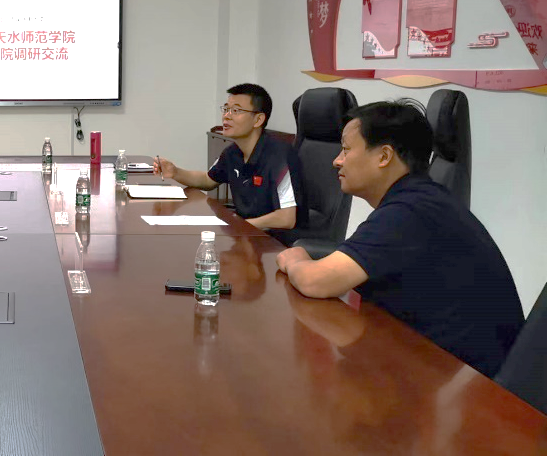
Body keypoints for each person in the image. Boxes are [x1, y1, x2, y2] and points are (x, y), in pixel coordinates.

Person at [276, 100, 523, 378]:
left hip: (476, 386)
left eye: (346, 149)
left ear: (384, 156)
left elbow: (316, 281)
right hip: (438, 366)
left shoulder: (409, 211)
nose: (337, 160)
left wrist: (296, 258)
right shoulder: (420, 199)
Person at [153, 83, 305, 231]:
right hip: (246, 233)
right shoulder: (232, 152)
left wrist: (238, 225)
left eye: (236, 110)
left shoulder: (279, 156)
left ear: (258, 119)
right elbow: (207, 180)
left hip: (275, 239)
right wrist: (175, 172)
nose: (226, 116)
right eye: (226, 109)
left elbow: (286, 219)